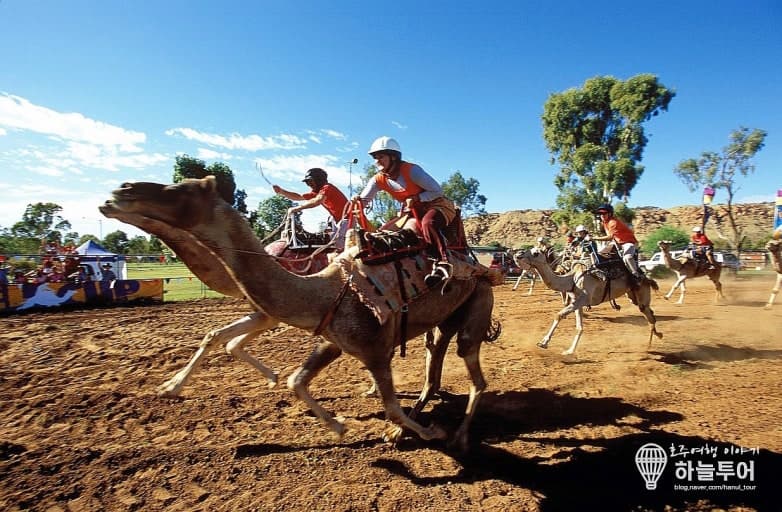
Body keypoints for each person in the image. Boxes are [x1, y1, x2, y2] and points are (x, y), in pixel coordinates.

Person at [358, 136, 457, 286]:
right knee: (383, 232)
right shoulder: (378, 179)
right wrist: (357, 202)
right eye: (375, 157)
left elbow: (437, 191)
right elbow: (364, 200)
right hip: (412, 212)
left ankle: (442, 263)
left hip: (438, 205)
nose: (377, 161)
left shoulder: (412, 171)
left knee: (428, 223)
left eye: (381, 157)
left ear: (393, 157)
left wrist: (417, 198)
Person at [273, 168, 349, 249]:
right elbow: (299, 197)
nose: (308, 184)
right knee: (330, 240)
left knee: (338, 241)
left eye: (310, 181)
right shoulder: (318, 192)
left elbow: (317, 201)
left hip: (347, 220)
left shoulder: (327, 188)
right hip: (337, 221)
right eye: (307, 182)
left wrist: (298, 208)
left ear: (319, 180)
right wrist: (281, 191)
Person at [592, 203, 644, 286]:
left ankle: (637, 276)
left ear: (610, 213)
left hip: (628, 242)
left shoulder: (613, 222)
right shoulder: (605, 223)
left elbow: (610, 237)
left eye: (604, 213)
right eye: (600, 214)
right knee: (601, 253)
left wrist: (594, 238)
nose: (602, 215)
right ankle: (614, 270)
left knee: (627, 257)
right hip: (617, 243)